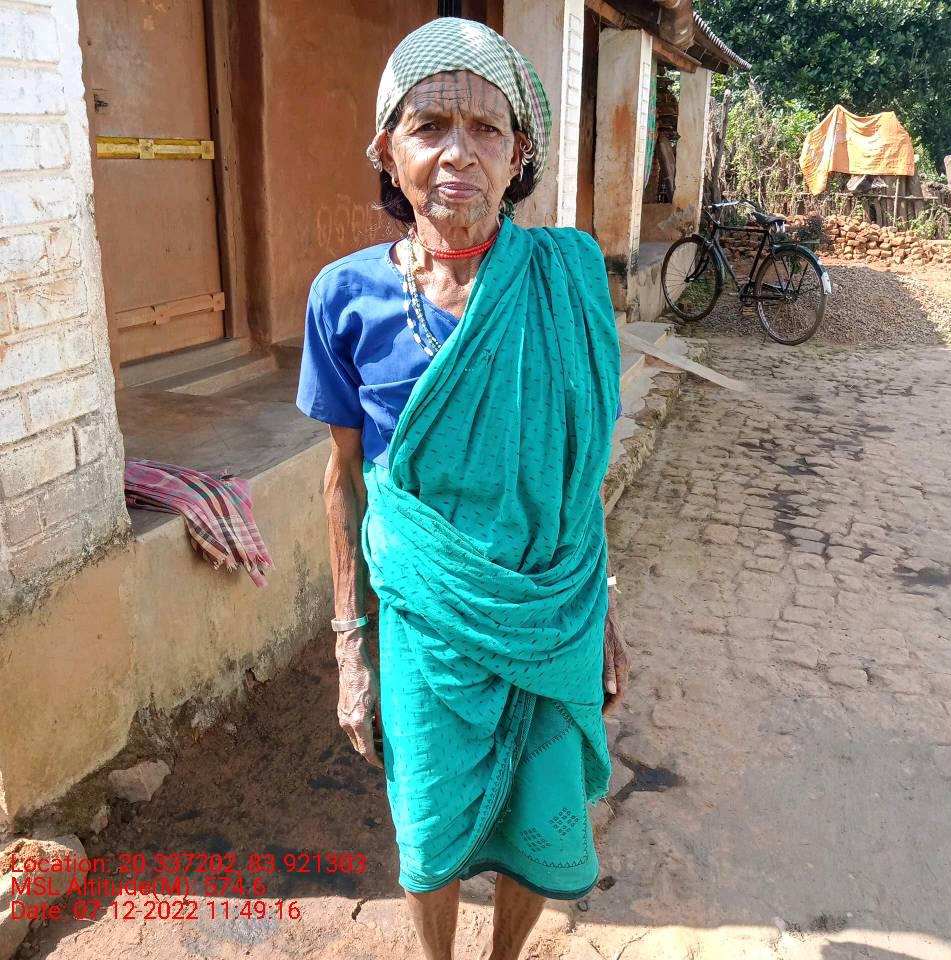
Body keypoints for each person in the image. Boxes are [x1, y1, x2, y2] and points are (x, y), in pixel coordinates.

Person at [295, 17, 629, 960]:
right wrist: (349, 647)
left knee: (540, 813)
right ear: (387, 150)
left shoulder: (566, 278)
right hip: (426, 619)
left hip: (551, 608)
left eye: (486, 129)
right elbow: (342, 484)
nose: (458, 152)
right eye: (430, 125)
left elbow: (575, 471)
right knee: (430, 827)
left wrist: (600, 606)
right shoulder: (344, 298)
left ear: (518, 155)